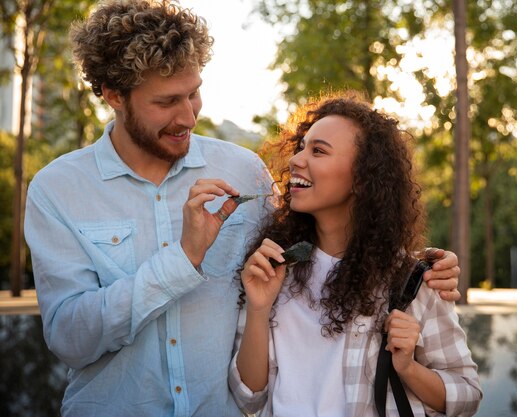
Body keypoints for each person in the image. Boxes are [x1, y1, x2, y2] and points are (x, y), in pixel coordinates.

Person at [24, 1, 462, 416]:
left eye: (193, 94)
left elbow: (321, 236)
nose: (189, 117)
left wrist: (420, 265)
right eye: (166, 102)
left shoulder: (244, 170)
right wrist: (182, 259)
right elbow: (69, 339)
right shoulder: (58, 190)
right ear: (113, 95)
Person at [228, 93, 483, 417]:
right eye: (301, 147)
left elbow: (468, 395)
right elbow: (248, 398)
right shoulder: (274, 269)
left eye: (318, 151)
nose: (296, 160)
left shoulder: (413, 280)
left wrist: (407, 368)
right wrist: (258, 309)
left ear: (362, 179)